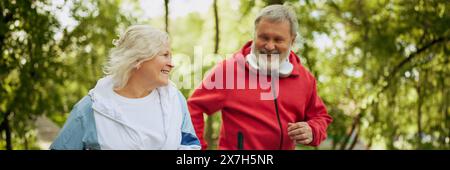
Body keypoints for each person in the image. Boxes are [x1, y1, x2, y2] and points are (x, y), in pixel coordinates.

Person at [187, 5, 332, 150]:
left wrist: (312, 130)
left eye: (278, 40)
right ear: (254, 35)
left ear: (292, 41)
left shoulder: (305, 79)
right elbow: (193, 107)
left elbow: (321, 117)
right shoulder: (229, 70)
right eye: (263, 37)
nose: (269, 46)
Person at [50, 25, 200, 150]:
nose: (171, 63)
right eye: (165, 55)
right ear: (138, 60)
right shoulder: (91, 109)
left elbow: (190, 145)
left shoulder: (175, 100)